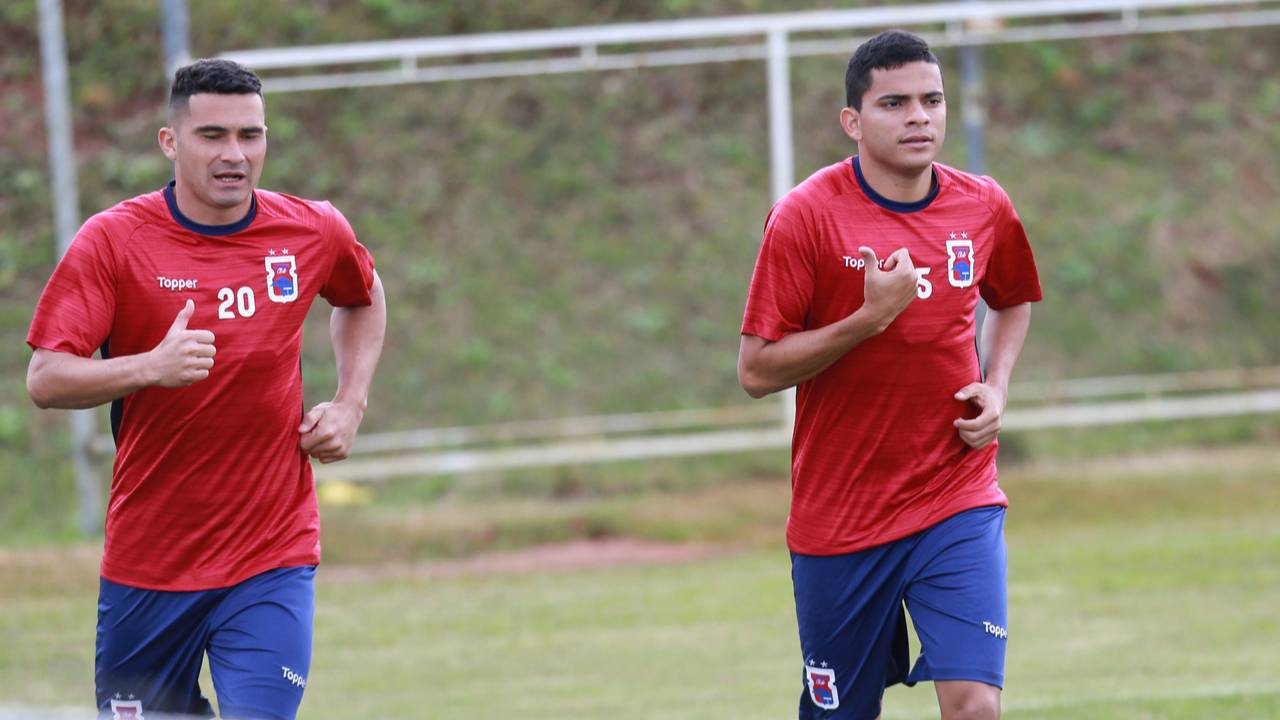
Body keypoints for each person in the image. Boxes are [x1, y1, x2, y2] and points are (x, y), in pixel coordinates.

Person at [26, 58, 386, 720]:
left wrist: (350, 402)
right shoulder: (114, 242)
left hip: (270, 553)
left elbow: (363, 291)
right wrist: (147, 367)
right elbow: (46, 378)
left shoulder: (309, 231)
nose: (234, 155)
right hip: (150, 563)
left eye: (250, 136)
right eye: (212, 135)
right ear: (171, 142)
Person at [737, 30, 1041, 720]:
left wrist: (997, 386)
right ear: (853, 121)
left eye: (932, 100)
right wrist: (866, 320)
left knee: (975, 707)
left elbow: (1014, 297)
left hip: (954, 496)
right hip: (842, 517)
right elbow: (755, 371)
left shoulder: (983, 205)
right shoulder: (805, 218)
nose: (919, 117)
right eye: (894, 102)